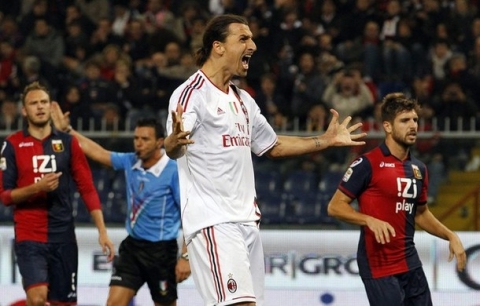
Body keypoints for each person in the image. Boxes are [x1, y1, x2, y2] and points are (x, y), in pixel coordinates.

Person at [164, 14, 367, 306]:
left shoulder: (243, 100)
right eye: (243, 38)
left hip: (247, 223)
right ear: (218, 46)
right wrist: (172, 142)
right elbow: (176, 145)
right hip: (214, 222)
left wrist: (326, 140)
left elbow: (273, 145)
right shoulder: (192, 94)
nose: (254, 45)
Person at [327, 93, 467, 306]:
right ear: (388, 126)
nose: (413, 126)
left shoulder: (419, 169)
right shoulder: (367, 163)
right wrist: (369, 220)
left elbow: (421, 213)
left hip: (410, 263)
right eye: (405, 121)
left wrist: (450, 235)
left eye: (415, 120)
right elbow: (335, 207)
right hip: (379, 265)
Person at [50, 104, 191, 306]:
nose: (138, 144)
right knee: (114, 303)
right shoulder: (130, 161)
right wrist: (68, 131)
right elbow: (98, 153)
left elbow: (189, 216)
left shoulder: (172, 172)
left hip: (162, 253)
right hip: (132, 248)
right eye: (136, 139)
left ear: (160, 142)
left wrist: (185, 257)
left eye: (145, 139)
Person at [0, 81, 115, 306]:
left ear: (50, 107)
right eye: (34, 103)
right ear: (24, 110)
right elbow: (4, 196)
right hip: (29, 235)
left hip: (63, 236)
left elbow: (88, 188)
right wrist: (37, 188)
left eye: (44, 102)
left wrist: (102, 232)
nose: (40, 107)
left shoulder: (68, 143)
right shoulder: (12, 144)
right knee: (37, 297)